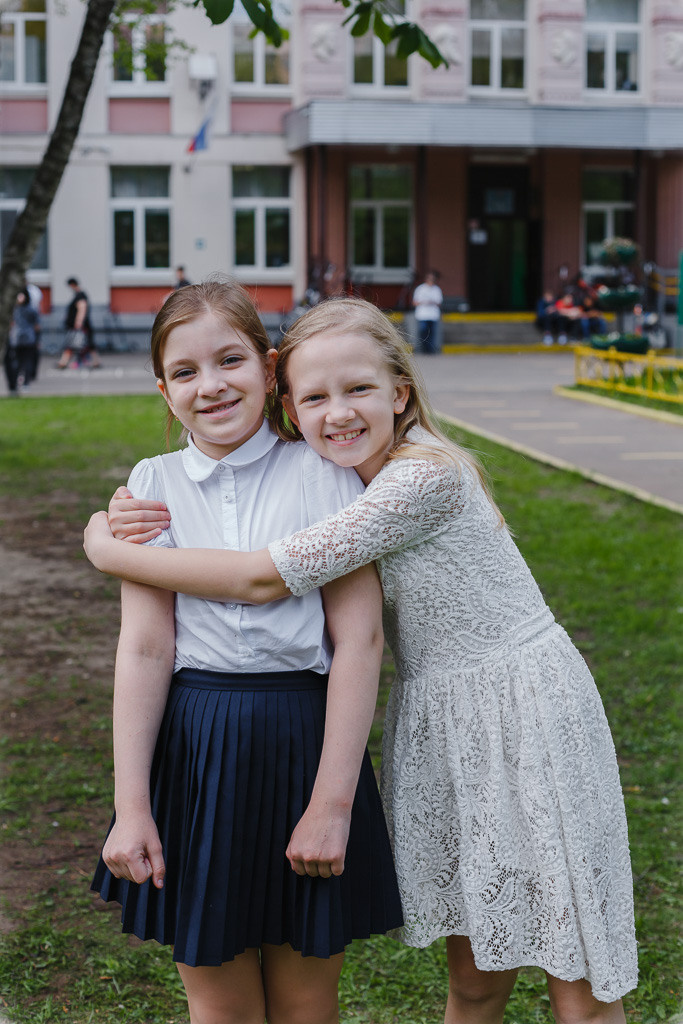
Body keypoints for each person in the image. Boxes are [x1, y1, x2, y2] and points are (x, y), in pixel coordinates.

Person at [86, 297, 638, 1024]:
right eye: (315, 397)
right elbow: (151, 639)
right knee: (474, 977)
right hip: (442, 719)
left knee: (579, 980)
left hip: (527, 710)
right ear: (288, 394)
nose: (337, 412)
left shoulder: (413, 479)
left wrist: (102, 546)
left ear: (400, 392)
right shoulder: (329, 472)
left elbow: (265, 579)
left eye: (359, 390)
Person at [88, 283, 402, 1024]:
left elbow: (358, 638)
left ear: (268, 370)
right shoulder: (150, 487)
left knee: (304, 1000)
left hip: (304, 738)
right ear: (164, 391)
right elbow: (144, 647)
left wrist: (333, 804)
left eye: (230, 360)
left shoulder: (325, 474)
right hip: (196, 750)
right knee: (217, 997)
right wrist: (130, 806)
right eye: (187, 373)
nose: (212, 385)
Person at [58, 277, 100, 369]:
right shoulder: (79, 294)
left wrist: (78, 322)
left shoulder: (80, 295)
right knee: (86, 343)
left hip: (80, 326)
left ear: (72, 285)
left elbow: (82, 308)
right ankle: (95, 362)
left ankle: (63, 362)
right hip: (80, 326)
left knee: (72, 344)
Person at [4, 288, 39, 394]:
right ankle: (22, 383)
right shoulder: (18, 310)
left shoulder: (18, 310)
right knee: (20, 362)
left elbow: (36, 325)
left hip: (24, 339)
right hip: (20, 339)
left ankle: (25, 383)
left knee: (25, 361)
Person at [412, 270, 443, 354]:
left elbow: (439, 302)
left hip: (433, 315)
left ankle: (430, 350)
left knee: (432, 333)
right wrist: (425, 302)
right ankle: (424, 348)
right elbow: (414, 302)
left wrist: (431, 302)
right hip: (422, 315)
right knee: (423, 331)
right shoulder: (420, 289)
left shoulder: (437, 289)